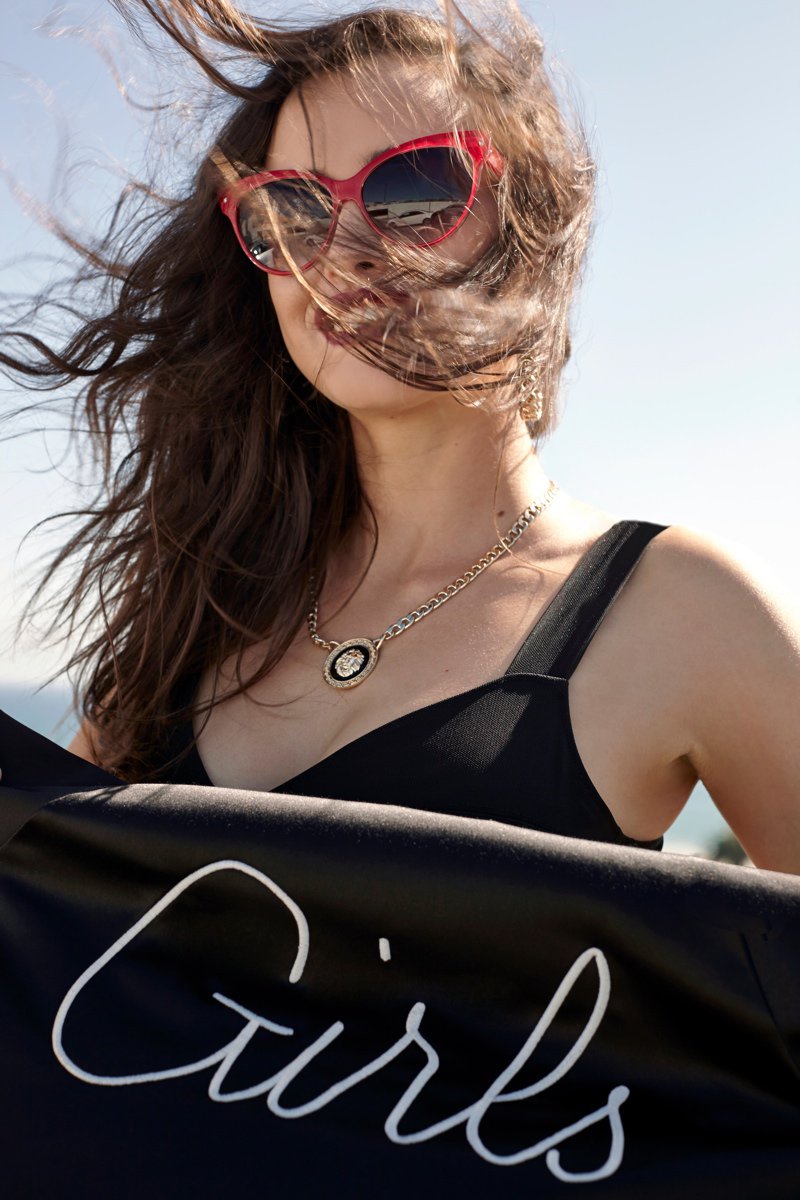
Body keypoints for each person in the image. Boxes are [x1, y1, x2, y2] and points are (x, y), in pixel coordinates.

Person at [3, 1, 799, 871]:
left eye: (416, 190)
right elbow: (43, 896)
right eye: (290, 211)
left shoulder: (685, 612)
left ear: (530, 228)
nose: (342, 250)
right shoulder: (212, 596)